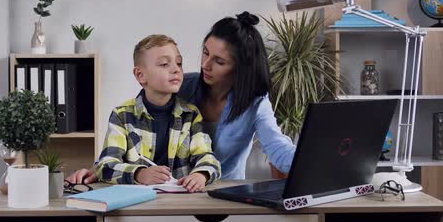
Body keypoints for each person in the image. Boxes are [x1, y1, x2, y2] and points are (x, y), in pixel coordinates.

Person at [67, 12, 294, 183]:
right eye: (205, 53)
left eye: (219, 61)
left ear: (240, 69)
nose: (205, 64)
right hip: (160, 195)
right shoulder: (181, 85)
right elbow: (133, 127)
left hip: (219, 192)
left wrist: (317, 161)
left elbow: (278, 150)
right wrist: (99, 170)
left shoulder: (253, 103)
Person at [91, 34, 221, 192]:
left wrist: (201, 175)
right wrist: (139, 174)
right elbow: (105, 165)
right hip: (136, 202)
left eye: (179, 63)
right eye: (164, 64)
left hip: (181, 202)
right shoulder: (122, 115)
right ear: (141, 75)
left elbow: (206, 156)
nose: (176, 69)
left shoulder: (191, 114)